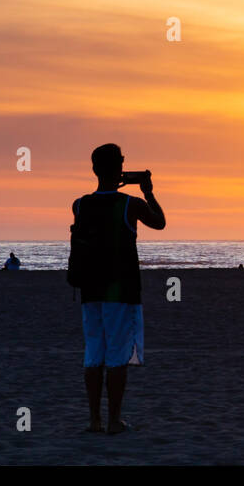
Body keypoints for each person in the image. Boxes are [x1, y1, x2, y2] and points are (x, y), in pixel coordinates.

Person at [73, 143, 166, 435]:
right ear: (119, 167)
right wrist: (148, 190)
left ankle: (93, 420)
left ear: (94, 169)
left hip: (89, 289)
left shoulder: (79, 204)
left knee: (93, 354)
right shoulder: (130, 204)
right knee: (116, 357)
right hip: (120, 289)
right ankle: (113, 420)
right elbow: (160, 222)